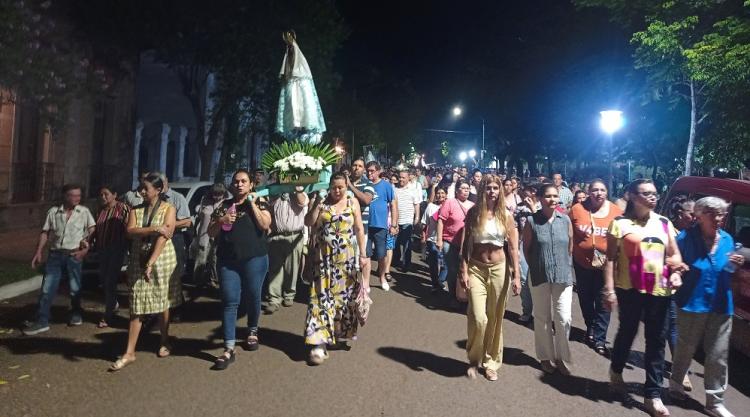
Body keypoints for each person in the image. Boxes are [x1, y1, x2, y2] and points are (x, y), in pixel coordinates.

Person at [603, 179, 685, 417]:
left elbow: (675, 255)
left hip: (660, 291)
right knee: (627, 332)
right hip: (629, 289)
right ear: (631, 196)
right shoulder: (619, 224)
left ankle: (653, 394)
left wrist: (677, 271)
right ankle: (616, 371)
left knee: (657, 340)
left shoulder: (664, 223)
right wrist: (608, 289)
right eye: (646, 194)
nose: (653, 198)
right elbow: (610, 259)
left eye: (655, 194)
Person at [669, 197, 744, 417]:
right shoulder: (685, 238)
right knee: (686, 347)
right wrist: (675, 272)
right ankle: (675, 383)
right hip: (692, 303)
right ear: (700, 216)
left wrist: (734, 266)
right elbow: (673, 262)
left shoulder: (728, 240)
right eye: (713, 214)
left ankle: (714, 401)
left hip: (721, 304)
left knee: (718, 354)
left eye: (721, 214)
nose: (719, 219)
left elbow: (727, 271)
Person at [109, 174, 177, 370]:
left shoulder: (168, 209)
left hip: (161, 260)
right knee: (136, 303)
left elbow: (166, 235)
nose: (142, 192)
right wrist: (153, 228)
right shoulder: (135, 210)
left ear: (158, 190)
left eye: (146, 188)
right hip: (138, 259)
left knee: (162, 301)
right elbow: (129, 231)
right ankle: (129, 352)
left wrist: (151, 262)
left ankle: (164, 340)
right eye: (141, 188)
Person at [207, 169, 270, 370]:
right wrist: (221, 221)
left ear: (251, 184)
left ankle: (252, 331)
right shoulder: (224, 206)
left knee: (253, 295)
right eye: (236, 181)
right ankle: (228, 348)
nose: (239, 184)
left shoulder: (260, 202)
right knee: (229, 301)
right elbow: (210, 232)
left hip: (255, 258)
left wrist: (251, 202)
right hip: (228, 261)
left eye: (244, 181)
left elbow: (265, 225)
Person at [459, 174, 521, 381]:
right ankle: (474, 359)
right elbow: (465, 244)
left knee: (495, 318)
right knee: (478, 317)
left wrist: (517, 276)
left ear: (500, 190)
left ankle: (491, 362)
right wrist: (463, 269)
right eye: (488, 188)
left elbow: (513, 248)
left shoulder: (506, 215)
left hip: (499, 269)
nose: (492, 191)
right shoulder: (473, 213)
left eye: (495, 188)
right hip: (476, 268)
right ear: (482, 190)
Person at [303, 173, 369, 365]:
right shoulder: (322, 202)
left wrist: (363, 255)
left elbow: (359, 229)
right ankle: (318, 343)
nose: (337, 191)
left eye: (341, 187)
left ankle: (336, 332)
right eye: (334, 187)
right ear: (329, 186)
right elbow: (309, 222)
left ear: (346, 186)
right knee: (320, 298)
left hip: (346, 259)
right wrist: (316, 203)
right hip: (323, 259)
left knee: (343, 300)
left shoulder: (352, 202)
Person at [23, 184, 96, 335]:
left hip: (74, 255)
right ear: (64, 196)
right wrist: (38, 252)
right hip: (55, 255)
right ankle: (42, 321)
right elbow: (45, 232)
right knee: (47, 288)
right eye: (72, 195)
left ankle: (76, 313)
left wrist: (85, 249)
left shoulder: (84, 212)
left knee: (75, 288)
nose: (76, 198)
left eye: (78, 195)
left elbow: (92, 230)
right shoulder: (54, 212)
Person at [523, 183, 574, 375]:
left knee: (563, 318)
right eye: (548, 196)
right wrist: (538, 265)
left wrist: (563, 264)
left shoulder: (565, 220)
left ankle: (561, 357)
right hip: (540, 276)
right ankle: (545, 357)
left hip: (563, 276)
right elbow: (526, 249)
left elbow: (570, 246)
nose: (553, 200)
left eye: (555, 196)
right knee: (542, 317)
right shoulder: (531, 221)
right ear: (540, 198)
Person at [568, 179, 622, 355]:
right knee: (585, 298)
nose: (599, 193)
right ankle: (590, 326)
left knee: (603, 301)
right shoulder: (577, 209)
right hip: (581, 264)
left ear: (607, 192)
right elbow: (569, 234)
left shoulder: (616, 212)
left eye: (602, 190)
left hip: (605, 267)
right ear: (588, 192)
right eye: (595, 190)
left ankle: (599, 338)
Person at [666, 195, 696, 391]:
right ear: (680, 214)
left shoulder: (697, 235)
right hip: (671, 288)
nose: (695, 217)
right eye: (691, 214)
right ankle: (681, 372)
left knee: (687, 329)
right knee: (674, 327)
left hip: (691, 290)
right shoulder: (669, 232)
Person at [263, 186, 308, 314]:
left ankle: (289, 294)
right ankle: (274, 299)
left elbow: (302, 202)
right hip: (276, 236)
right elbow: (269, 206)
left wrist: (297, 190)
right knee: (274, 269)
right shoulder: (274, 192)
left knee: (292, 268)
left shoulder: (300, 191)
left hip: (294, 236)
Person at [93, 185, 130, 328]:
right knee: (104, 279)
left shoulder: (123, 208)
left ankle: (108, 314)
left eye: (106, 194)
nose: (103, 197)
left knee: (110, 280)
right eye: (101, 194)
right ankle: (113, 303)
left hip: (117, 249)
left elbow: (130, 227)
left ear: (114, 195)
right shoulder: (100, 211)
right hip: (102, 249)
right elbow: (96, 229)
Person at [156, 172, 190, 316]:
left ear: (166, 182)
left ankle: (177, 308)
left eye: (161, 184)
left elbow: (187, 221)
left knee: (175, 274)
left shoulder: (177, 198)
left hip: (175, 238)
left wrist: (168, 225)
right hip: (158, 239)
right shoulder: (155, 200)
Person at [437, 179, 474, 308]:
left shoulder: (472, 205)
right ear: (457, 190)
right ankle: (452, 295)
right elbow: (441, 221)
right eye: (463, 188)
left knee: (466, 270)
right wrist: (439, 240)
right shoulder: (450, 203)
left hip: (467, 244)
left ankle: (465, 295)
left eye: (468, 189)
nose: (466, 191)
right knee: (452, 269)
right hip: (450, 241)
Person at [365, 161, 399, 291]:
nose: (369, 173)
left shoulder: (386, 186)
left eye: (372, 171)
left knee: (381, 254)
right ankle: (366, 282)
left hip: (381, 225)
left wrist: (394, 224)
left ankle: (382, 277)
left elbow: (393, 205)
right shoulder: (365, 184)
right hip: (366, 225)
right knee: (366, 254)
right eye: (368, 171)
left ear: (379, 171)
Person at [191, 183, 226, 289]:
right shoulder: (205, 200)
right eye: (214, 194)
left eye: (219, 194)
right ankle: (198, 281)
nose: (216, 197)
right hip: (204, 234)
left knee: (215, 258)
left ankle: (214, 280)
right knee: (201, 257)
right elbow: (200, 214)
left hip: (219, 235)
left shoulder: (226, 202)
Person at [347, 158, 375, 292]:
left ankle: (365, 285)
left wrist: (350, 186)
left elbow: (366, 200)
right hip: (345, 228)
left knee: (364, 257)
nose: (357, 168)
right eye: (354, 165)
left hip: (362, 228)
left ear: (364, 169)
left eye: (360, 166)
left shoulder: (368, 184)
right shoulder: (343, 183)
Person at [515, 183, 540, 323]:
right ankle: (527, 311)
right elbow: (513, 224)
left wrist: (533, 208)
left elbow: (542, 225)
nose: (524, 196)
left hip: (540, 247)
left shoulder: (544, 206)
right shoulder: (519, 207)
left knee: (539, 282)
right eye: (523, 193)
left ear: (534, 192)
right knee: (524, 279)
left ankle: (541, 313)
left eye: (527, 193)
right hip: (523, 245)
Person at [422, 187, 448, 292]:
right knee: (433, 263)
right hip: (432, 239)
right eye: (438, 193)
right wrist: (423, 237)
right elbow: (425, 223)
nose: (440, 195)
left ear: (446, 194)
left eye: (442, 193)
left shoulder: (450, 206)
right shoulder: (430, 207)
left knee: (446, 264)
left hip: (446, 239)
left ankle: (439, 281)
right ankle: (435, 283)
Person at [394, 170, 420, 272]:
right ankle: (396, 260)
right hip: (396, 220)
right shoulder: (394, 189)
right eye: (400, 177)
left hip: (407, 220)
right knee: (395, 243)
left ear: (408, 178)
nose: (401, 179)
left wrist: (417, 217)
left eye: (403, 177)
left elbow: (416, 204)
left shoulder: (413, 190)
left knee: (406, 243)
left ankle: (406, 263)